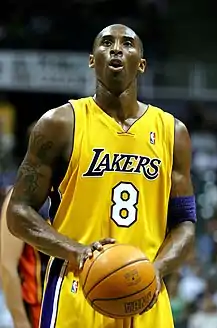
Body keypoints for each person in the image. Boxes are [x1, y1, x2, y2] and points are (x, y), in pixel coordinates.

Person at [6, 24, 196, 328]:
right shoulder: (60, 124)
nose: (117, 48)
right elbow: (17, 213)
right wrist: (77, 251)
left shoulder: (173, 133)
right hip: (78, 288)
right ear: (93, 59)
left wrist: (157, 269)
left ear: (142, 64)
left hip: (146, 294)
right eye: (106, 43)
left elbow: (184, 223)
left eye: (128, 44)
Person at [0, 123, 50, 328]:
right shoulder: (20, 196)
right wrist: (20, 321)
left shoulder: (74, 195)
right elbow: (6, 266)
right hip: (38, 315)